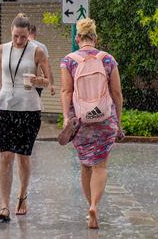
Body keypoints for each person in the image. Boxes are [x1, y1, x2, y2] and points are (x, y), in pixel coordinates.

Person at [59, 18, 123, 229]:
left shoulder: (68, 61)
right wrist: (118, 122)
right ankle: (95, 205)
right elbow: (116, 93)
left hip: (81, 120)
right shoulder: (108, 59)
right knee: (101, 165)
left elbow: (67, 91)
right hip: (105, 119)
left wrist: (67, 119)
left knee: (86, 166)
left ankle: (90, 207)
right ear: (95, 38)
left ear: (78, 38)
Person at [0, 13, 51, 222]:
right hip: (5, 106)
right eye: (16, 36)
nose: (18, 41)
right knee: (6, 156)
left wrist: (37, 80)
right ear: (11, 32)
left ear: (28, 34)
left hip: (29, 108)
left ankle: (22, 195)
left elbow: (48, 82)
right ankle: (4, 205)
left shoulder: (38, 51)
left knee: (23, 157)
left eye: (23, 37)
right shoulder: (1, 49)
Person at [28, 24, 56, 97]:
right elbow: (48, 67)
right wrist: (52, 84)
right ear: (35, 33)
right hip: (37, 83)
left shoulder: (19, 45)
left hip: (21, 83)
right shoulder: (41, 47)